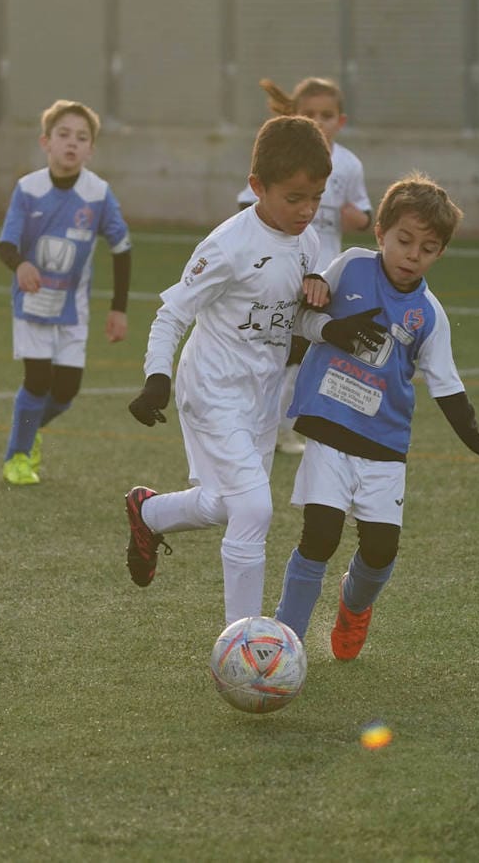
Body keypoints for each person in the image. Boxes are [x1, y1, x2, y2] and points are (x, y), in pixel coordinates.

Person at [272, 173, 479, 658]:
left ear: (440, 254)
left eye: (428, 248)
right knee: (320, 536)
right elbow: (302, 318)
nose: (412, 255)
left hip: (383, 443)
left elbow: (446, 382)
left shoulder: (429, 314)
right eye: (404, 241)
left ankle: (354, 609)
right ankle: (283, 642)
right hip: (330, 429)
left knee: (379, 551)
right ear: (380, 233)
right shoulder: (351, 266)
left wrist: (476, 437)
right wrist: (332, 330)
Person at [124, 115, 332, 625]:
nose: (307, 210)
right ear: (257, 187)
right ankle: (244, 643)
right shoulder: (226, 246)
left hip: (262, 396)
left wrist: (323, 313)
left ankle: (148, 513)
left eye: (317, 198)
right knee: (255, 509)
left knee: (226, 504)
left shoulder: (307, 242)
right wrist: (157, 378)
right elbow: (172, 312)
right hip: (213, 389)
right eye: (294, 198)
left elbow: (291, 314)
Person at [0, 99, 133, 486]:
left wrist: (118, 309)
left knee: (66, 390)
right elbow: (6, 245)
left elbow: (122, 248)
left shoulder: (98, 194)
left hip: (74, 307)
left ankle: (26, 433)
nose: (71, 144)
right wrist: (21, 265)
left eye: (82, 137)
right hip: (33, 302)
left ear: (91, 149)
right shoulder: (27, 189)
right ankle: (18, 456)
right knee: (38, 381)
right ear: (46, 142)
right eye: (63, 135)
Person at [236, 76, 373, 455]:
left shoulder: (347, 164)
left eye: (326, 115)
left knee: (305, 354)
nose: (318, 121)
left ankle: (281, 426)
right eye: (309, 114)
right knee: (275, 350)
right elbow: (248, 204)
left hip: (326, 276)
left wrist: (358, 218)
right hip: (282, 272)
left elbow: (365, 212)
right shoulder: (278, 161)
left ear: (340, 122)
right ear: (294, 116)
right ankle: (260, 423)